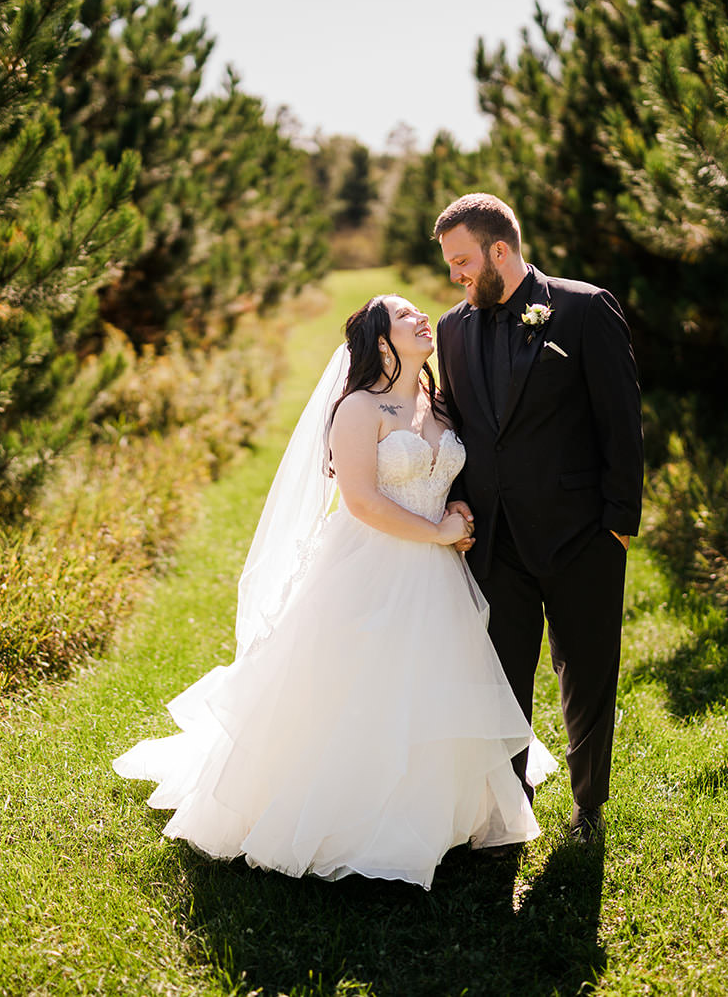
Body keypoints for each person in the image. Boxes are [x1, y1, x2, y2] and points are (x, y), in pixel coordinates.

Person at [113, 295, 554, 889]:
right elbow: (364, 503)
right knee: (359, 693)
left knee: (429, 689)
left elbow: (447, 470)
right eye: (406, 316)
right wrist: (440, 531)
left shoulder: (438, 402)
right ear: (380, 341)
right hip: (370, 569)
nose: (425, 318)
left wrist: (457, 503)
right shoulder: (359, 410)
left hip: (437, 576)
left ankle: (442, 813)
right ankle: (354, 816)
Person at [433, 193, 643, 843]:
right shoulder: (452, 330)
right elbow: (460, 427)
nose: (455, 276)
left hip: (583, 533)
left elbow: (621, 421)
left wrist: (619, 522)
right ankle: (509, 805)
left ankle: (589, 807)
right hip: (494, 540)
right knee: (501, 679)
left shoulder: (583, 309)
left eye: (463, 260)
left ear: (501, 250)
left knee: (586, 673)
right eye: (448, 264)